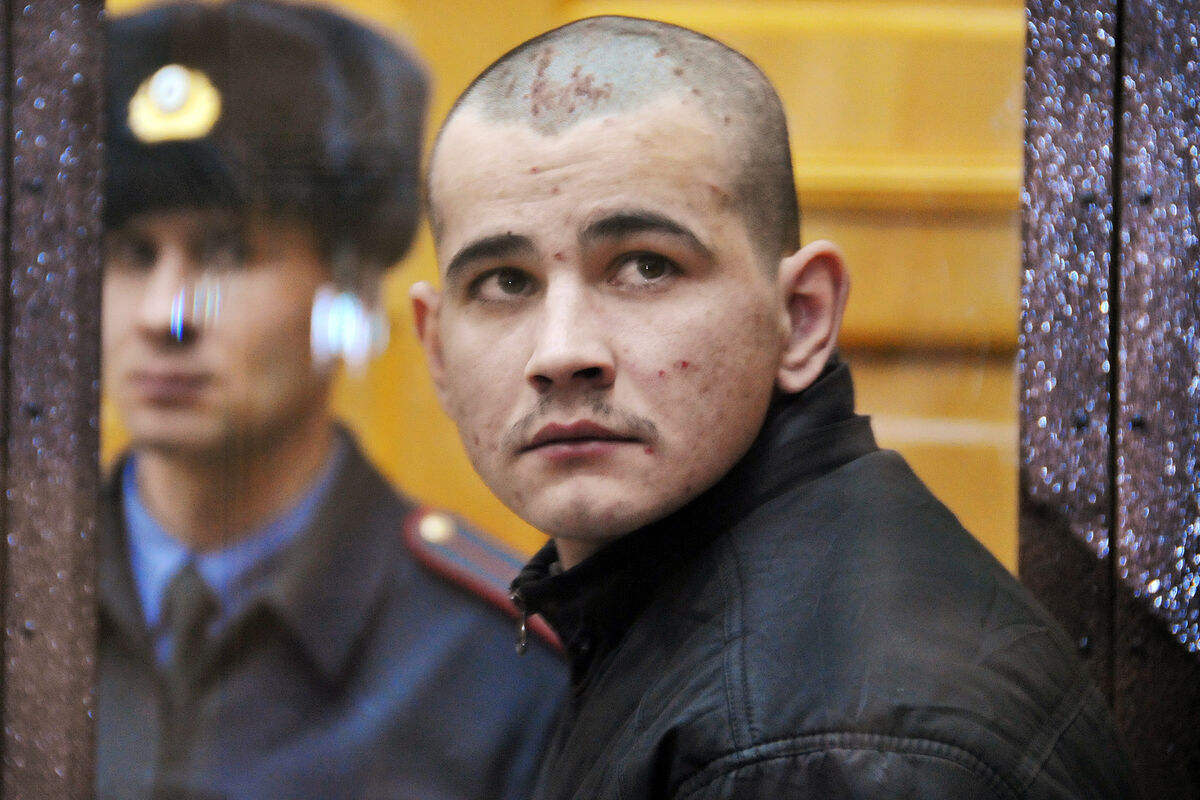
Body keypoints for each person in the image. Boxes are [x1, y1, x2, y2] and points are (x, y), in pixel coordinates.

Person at [410, 15, 1142, 799]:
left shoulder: (812, 751)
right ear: (437, 349)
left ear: (801, 318)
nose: (560, 353)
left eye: (646, 266)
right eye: (504, 282)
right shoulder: (688, 625)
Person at [98, 2, 566, 798]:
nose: (164, 316)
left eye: (227, 253)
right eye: (133, 254)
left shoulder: (494, 666)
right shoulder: (27, 594)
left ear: (346, 288)